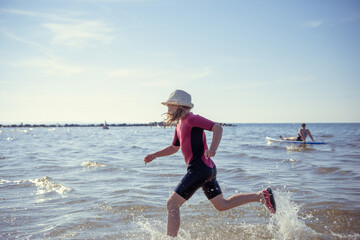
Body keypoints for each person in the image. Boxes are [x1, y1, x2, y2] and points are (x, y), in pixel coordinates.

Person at [144, 90, 276, 237]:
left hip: (199, 169)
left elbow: (217, 128)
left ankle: (170, 239)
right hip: (206, 169)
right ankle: (262, 196)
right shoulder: (179, 125)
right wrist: (155, 155)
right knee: (222, 205)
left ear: (178, 106)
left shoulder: (192, 119)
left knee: (172, 204)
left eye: (169, 105)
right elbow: (174, 147)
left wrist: (213, 148)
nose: (167, 109)